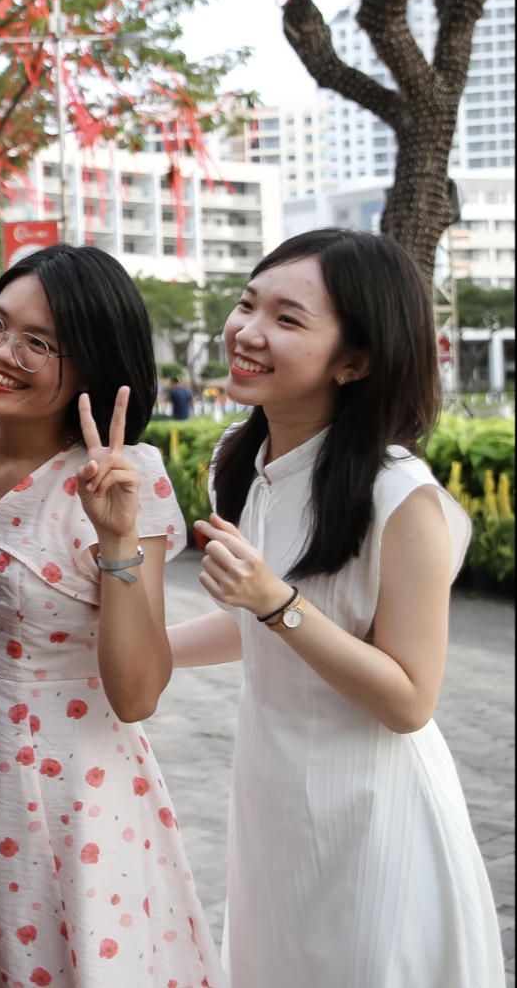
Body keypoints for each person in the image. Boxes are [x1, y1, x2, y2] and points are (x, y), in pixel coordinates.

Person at [165, 229, 502, 985]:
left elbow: (409, 698)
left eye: (289, 319)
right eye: (249, 304)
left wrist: (274, 601)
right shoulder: (242, 459)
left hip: (374, 816)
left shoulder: (400, 498)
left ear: (356, 361)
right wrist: (147, 653)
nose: (249, 332)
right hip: (271, 800)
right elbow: (265, 623)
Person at [0, 244, 224, 987]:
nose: (1, 352)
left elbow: (137, 694)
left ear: (91, 365)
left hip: (65, 800)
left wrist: (117, 537)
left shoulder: (127, 483)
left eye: (40, 344)